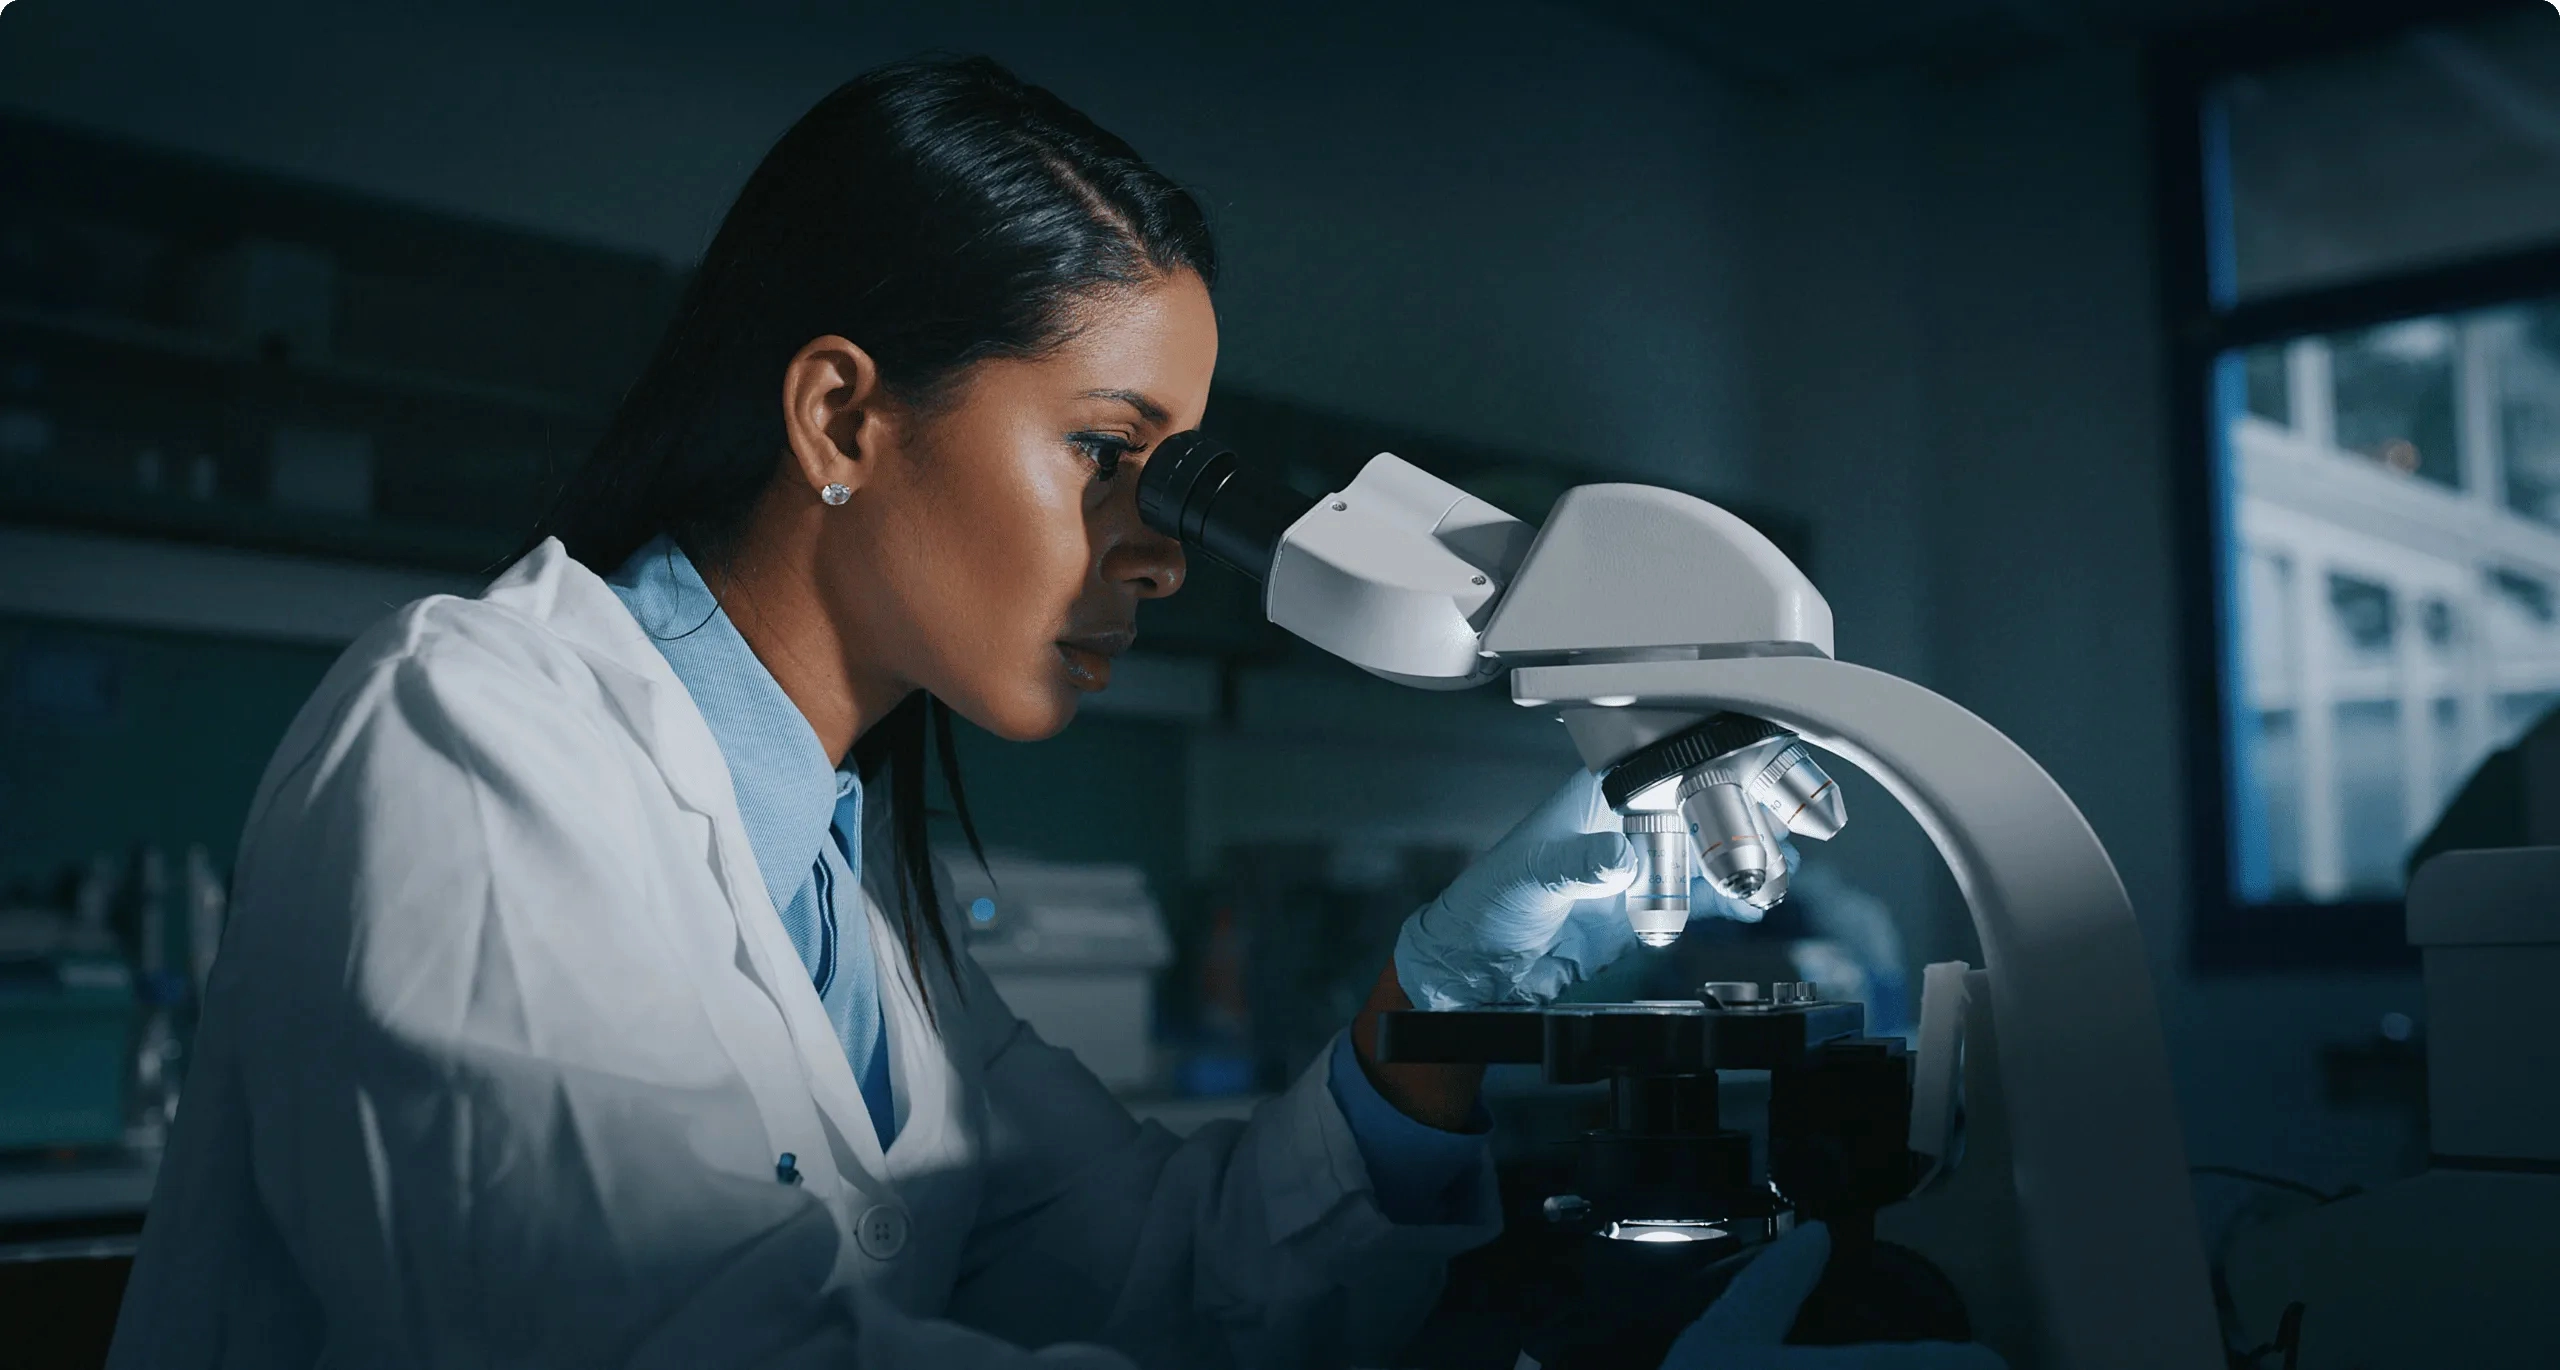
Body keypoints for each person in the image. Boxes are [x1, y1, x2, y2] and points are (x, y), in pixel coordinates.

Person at [108, 58, 1997, 1369]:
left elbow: (1174, 1287)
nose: (1160, 550)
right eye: (1109, 456)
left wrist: (1452, 992)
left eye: (1177, 480)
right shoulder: (476, 748)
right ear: (844, 417)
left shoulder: (860, 911)